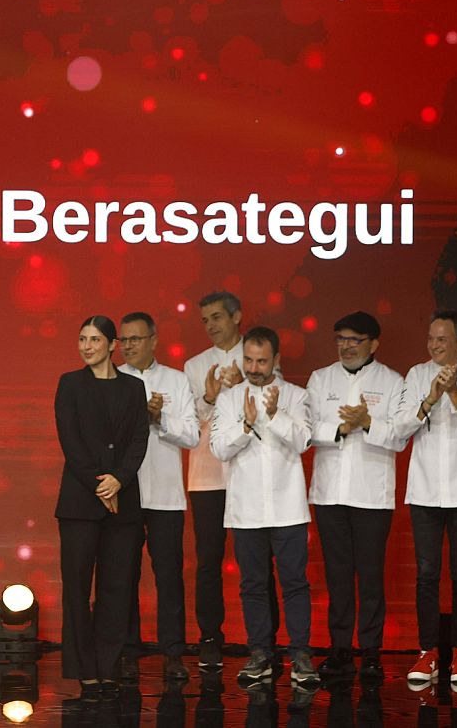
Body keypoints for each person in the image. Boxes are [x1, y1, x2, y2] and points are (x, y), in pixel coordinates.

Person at [208, 327, 318, 687]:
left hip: (288, 507)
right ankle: (260, 653)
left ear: (276, 360)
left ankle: (300, 654)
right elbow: (218, 448)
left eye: (261, 361)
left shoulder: (296, 396)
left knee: (294, 583)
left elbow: (303, 440)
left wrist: (273, 416)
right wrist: (246, 424)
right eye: (249, 360)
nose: (254, 368)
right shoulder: (228, 399)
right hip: (246, 508)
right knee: (253, 584)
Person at [393, 310, 457, 687]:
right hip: (425, 492)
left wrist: (454, 394)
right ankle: (428, 652)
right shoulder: (417, 375)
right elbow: (400, 429)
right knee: (427, 576)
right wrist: (428, 401)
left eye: (443, 340)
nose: (435, 345)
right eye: (431, 339)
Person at [303, 311, 405, 681]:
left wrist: (368, 423)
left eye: (354, 340)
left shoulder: (393, 381)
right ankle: (340, 649)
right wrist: (342, 428)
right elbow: (308, 429)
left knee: (371, 575)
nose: (346, 346)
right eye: (341, 339)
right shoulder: (320, 379)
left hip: (372, 496)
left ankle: (372, 650)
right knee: (338, 575)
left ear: (373, 344)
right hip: (329, 493)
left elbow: (399, 436)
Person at [182, 290, 276, 670]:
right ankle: (209, 637)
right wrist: (208, 395)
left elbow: (274, 407)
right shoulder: (194, 365)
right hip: (207, 474)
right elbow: (189, 422)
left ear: (237, 317)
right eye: (205, 320)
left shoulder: (257, 355)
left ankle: (265, 640)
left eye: (217, 317)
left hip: (251, 472)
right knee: (208, 560)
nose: (211, 326)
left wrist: (241, 387)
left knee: (258, 560)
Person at [55, 315, 150, 691]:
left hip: (123, 503)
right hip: (80, 504)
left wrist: (119, 481)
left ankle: (108, 662)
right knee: (77, 587)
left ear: (112, 345)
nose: (87, 346)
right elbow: (71, 441)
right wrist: (101, 485)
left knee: (116, 586)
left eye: (95, 339)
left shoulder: (132, 387)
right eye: (82, 339)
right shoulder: (70, 384)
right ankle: (83, 667)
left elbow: (139, 440)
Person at [116, 311, 198, 683]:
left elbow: (192, 436)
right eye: (124, 340)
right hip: (125, 493)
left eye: (135, 339)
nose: (128, 346)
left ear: (154, 340)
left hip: (166, 495)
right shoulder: (113, 380)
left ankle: (173, 654)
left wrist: (159, 418)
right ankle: (127, 650)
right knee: (124, 575)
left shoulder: (177, 381)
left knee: (169, 578)